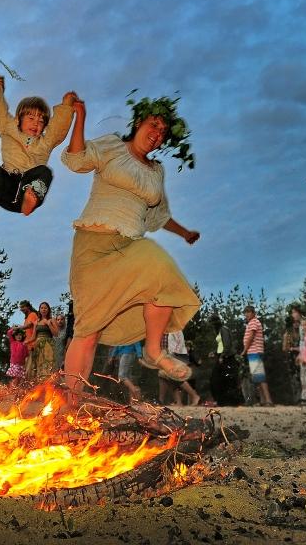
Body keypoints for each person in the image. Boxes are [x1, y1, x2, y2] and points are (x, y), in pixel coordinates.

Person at [61, 95, 201, 391]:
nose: (157, 134)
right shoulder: (113, 145)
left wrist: (185, 233)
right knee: (88, 331)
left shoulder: (157, 172)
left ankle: (152, 351)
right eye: (154, 125)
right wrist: (80, 116)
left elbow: (158, 216)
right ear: (139, 123)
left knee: (160, 270)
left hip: (128, 246)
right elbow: (76, 159)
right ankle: (69, 406)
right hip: (93, 246)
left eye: (163, 132)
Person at [0, 77, 77, 228]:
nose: (36, 123)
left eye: (41, 121)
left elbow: (57, 129)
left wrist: (67, 105)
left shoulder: (45, 142)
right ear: (18, 119)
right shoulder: (8, 127)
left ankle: (30, 199)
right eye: (31, 118)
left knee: (44, 171)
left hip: (27, 188)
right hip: (6, 187)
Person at [240, 306, 273, 406]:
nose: (246, 314)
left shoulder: (254, 322)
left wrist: (244, 350)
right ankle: (263, 400)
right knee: (257, 377)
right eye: (245, 312)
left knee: (260, 376)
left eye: (248, 312)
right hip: (253, 352)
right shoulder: (251, 322)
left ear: (253, 313)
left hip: (255, 351)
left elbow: (251, 337)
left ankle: (268, 400)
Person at [159, 331, 200, 406]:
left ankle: (194, 396)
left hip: (173, 355)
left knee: (173, 376)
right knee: (167, 377)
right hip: (165, 354)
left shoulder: (174, 327)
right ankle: (178, 401)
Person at [209, 319, 241, 406]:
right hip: (222, 356)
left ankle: (230, 402)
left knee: (225, 379)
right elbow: (221, 346)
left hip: (227, 357)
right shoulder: (219, 331)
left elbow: (227, 344)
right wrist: (215, 353)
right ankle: (221, 401)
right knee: (219, 379)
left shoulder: (224, 329)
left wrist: (222, 356)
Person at [283, 305, 306, 405]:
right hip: (293, 357)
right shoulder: (288, 333)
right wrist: (294, 348)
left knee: (305, 377)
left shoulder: (304, 329)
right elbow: (284, 347)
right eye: (294, 323)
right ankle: (298, 399)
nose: (296, 324)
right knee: (295, 379)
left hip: (305, 355)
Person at [30, 302, 59, 378]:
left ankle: (49, 384)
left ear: (48, 309)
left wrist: (49, 324)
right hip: (38, 345)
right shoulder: (36, 322)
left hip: (48, 345)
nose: (43, 309)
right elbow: (33, 337)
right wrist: (25, 342)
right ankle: (40, 385)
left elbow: (56, 334)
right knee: (38, 364)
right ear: (39, 310)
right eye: (42, 308)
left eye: (45, 308)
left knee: (48, 364)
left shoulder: (52, 320)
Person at [16, 300, 39, 377]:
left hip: (33, 344)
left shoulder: (33, 314)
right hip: (27, 345)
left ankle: (30, 385)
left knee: (31, 367)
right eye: (20, 307)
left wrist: (19, 327)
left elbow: (30, 325)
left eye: (23, 307)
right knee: (27, 366)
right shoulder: (26, 318)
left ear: (28, 307)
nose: (21, 309)